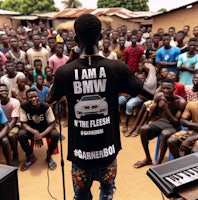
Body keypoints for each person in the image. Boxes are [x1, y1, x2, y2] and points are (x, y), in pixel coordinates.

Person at [48, 14, 157, 200]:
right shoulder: (116, 67)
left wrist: (71, 60)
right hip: (108, 153)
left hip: (80, 156)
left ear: (75, 40)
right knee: (107, 193)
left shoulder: (64, 72)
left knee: (81, 195)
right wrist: (152, 69)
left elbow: (50, 97)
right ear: (100, 38)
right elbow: (150, 91)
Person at [134, 79, 186, 168]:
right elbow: (152, 113)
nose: (165, 91)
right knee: (144, 129)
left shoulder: (180, 102)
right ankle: (148, 158)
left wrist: (166, 108)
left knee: (165, 133)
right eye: (163, 88)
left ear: (174, 88)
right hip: (161, 122)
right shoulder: (160, 97)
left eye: (168, 88)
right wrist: (155, 103)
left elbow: (176, 122)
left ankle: (159, 163)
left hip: (174, 125)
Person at [18, 88, 59, 171]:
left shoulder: (45, 106)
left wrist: (40, 135)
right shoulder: (24, 106)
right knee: (21, 134)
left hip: (44, 129)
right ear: (26, 98)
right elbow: (23, 124)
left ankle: (49, 155)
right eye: (30, 97)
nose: (33, 99)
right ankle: (31, 156)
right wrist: (35, 132)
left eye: (35, 96)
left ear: (38, 97)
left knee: (55, 134)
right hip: (31, 130)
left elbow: (52, 124)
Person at [167, 87, 198, 158]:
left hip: (196, 133)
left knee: (195, 151)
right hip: (194, 131)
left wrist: (190, 139)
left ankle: (192, 168)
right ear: (197, 93)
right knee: (171, 141)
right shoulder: (192, 105)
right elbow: (182, 121)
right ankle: (178, 161)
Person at [0, 83, 21, 166]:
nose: (3, 92)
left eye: (5, 90)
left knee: (11, 135)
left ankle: (15, 155)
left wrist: (5, 131)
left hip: (14, 124)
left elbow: (14, 120)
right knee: (5, 138)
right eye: (1, 91)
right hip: (3, 125)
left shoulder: (15, 102)